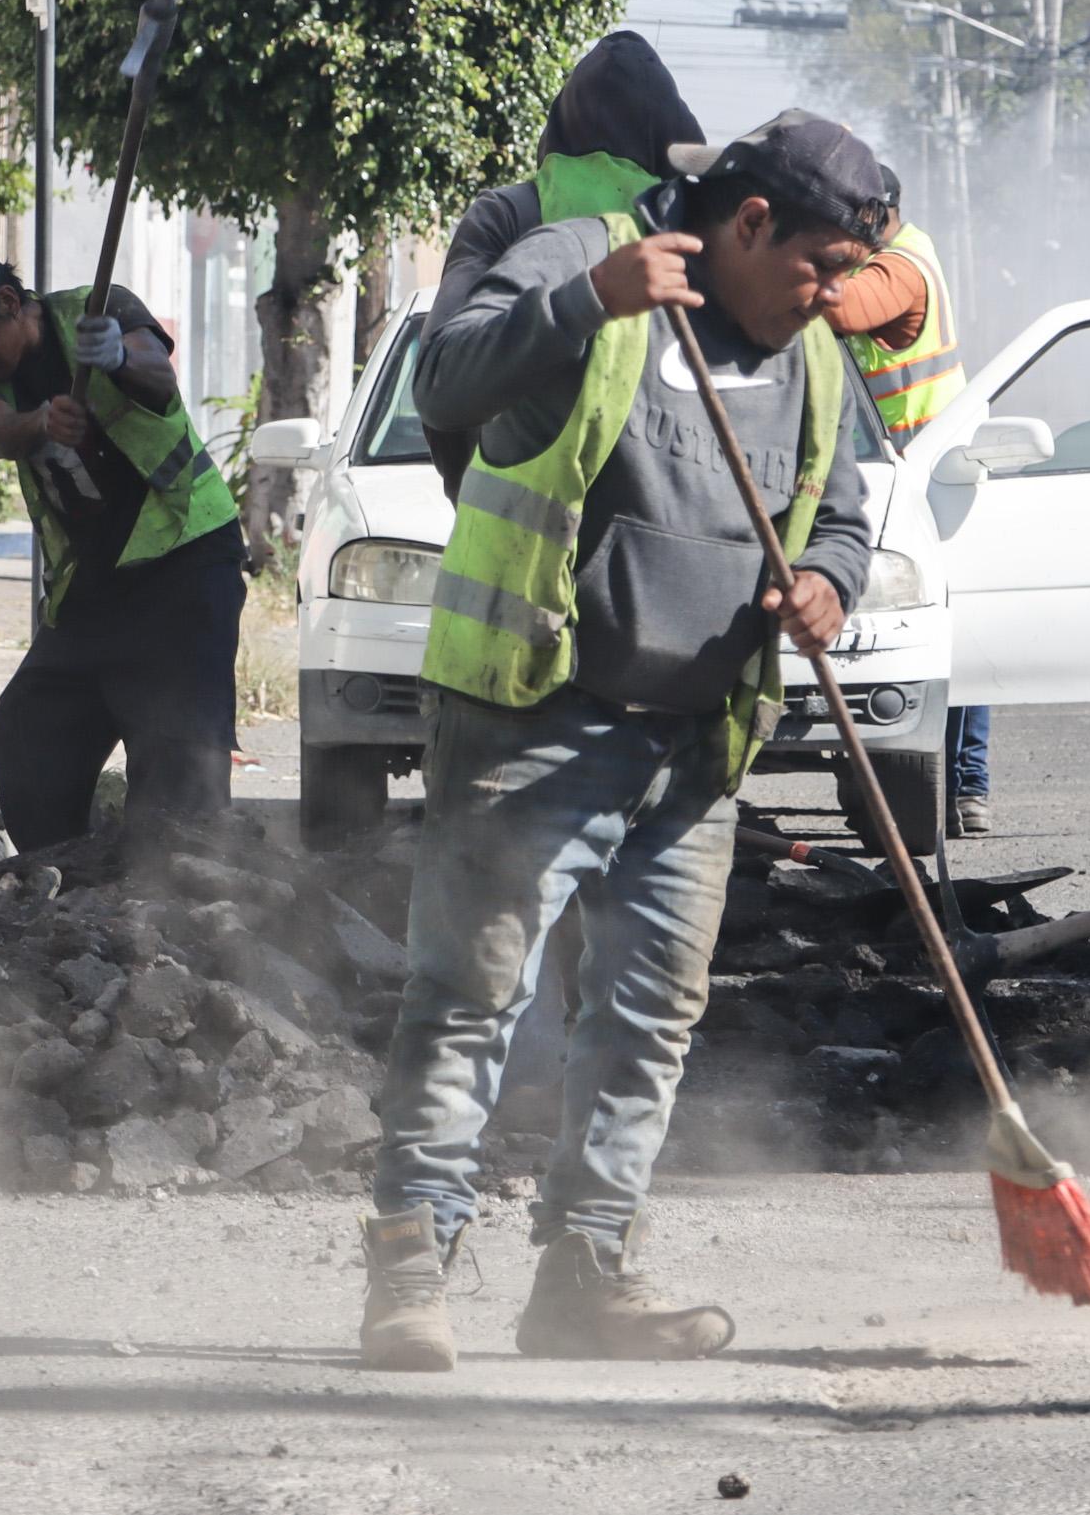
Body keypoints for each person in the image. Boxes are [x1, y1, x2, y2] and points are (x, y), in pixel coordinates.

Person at [360, 113, 889, 1373]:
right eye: (815, 267)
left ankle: (584, 1277)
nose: (825, 301)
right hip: (533, 719)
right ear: (748, 224)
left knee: (650, 1017)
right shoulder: (584, 259)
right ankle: (408, 1273)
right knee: (470, 999)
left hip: (695, 748)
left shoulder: (813, 355)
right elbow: (444, 380)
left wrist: (826, 580)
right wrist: (591, 300)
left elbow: (851, 508)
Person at [0, 243, 245, 854]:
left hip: (186, 557)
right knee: (27, 737)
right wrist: (39, 422)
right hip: (92, 580)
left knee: (180, 755)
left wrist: (117, 355)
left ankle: (189, 906)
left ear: (8, 303)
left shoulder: (102, 308)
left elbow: (158, 376)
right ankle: (69, 884)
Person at [425, 31, 705, 498]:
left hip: (515, 524)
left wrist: (468, 491)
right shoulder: (697, 229)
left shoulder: (508, 214)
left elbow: (442, 379)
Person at [823, 196, 992, 835]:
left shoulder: (899, 267)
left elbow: (840, 309)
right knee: (951, 626)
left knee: (944, 632)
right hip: (915, 460)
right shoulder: (909, 248)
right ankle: (961, 786)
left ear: (873, 216)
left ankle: (967, 785)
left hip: (926, 467)